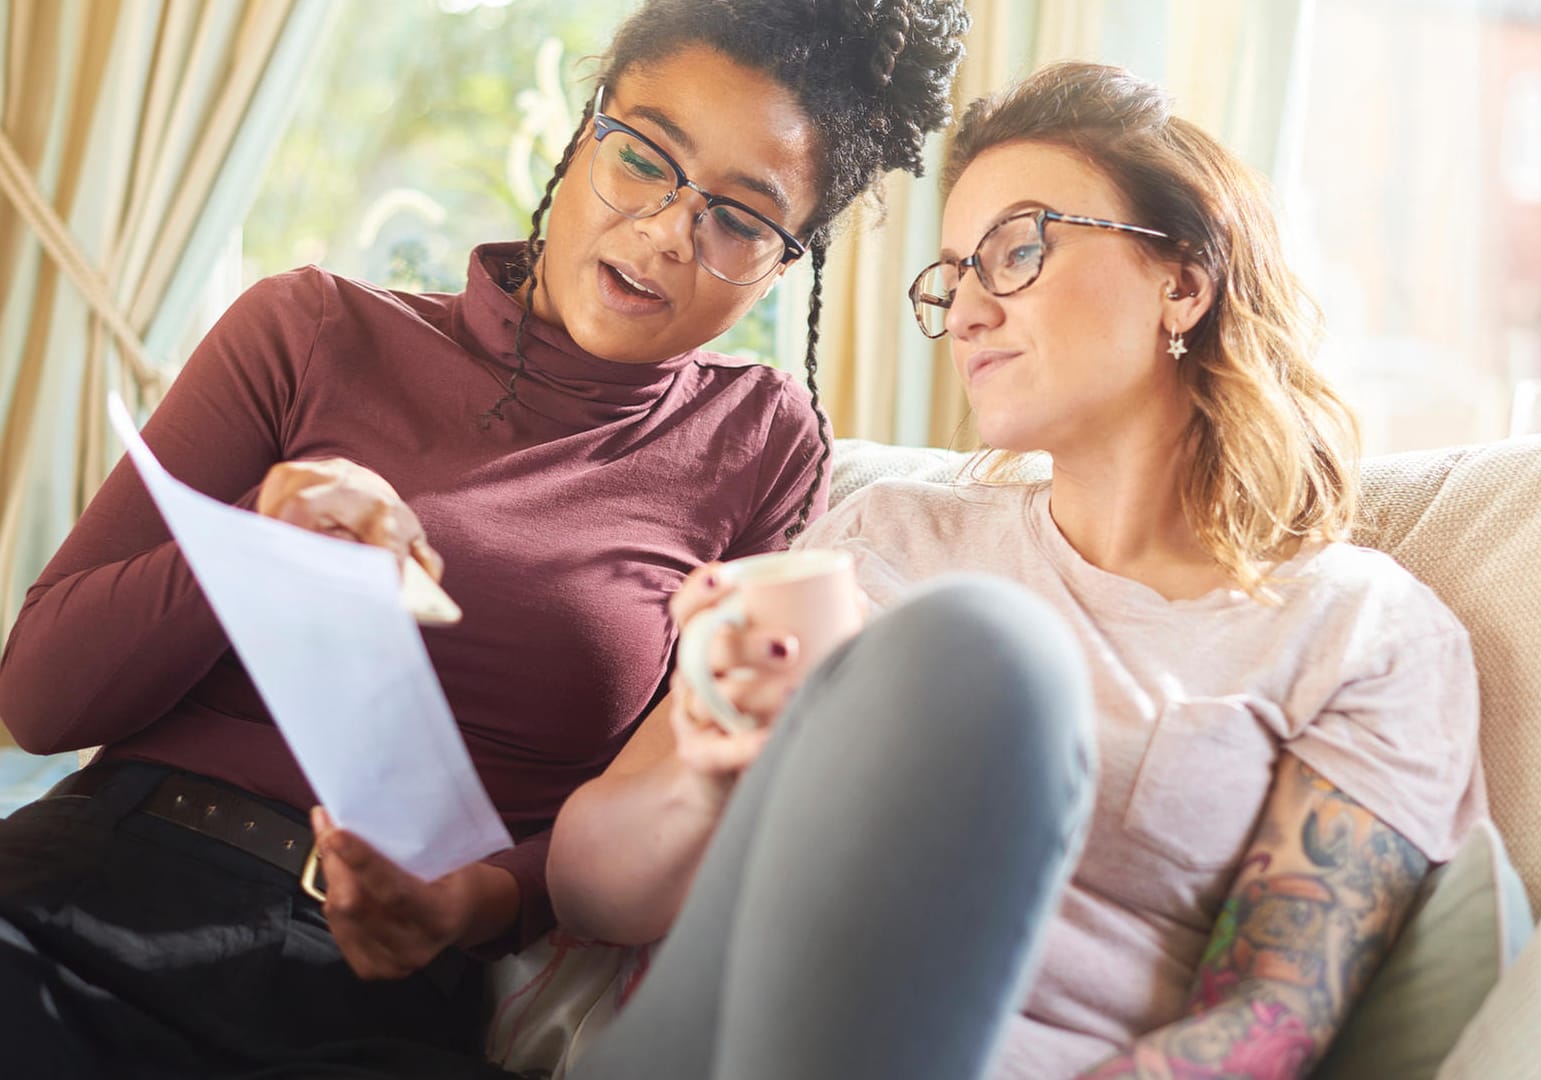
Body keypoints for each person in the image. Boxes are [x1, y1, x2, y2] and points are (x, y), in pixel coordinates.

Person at [0, 1, 970, 1074]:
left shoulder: (758, 443)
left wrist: (475, 901)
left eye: (741, 220)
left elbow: (667, 789)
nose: (666, 230)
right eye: (644, 157)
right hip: (94, 885)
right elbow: (40, 702)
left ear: (787, 264)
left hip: (379, 992)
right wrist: (255, 548)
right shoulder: (310, 329)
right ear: (584, 132)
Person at [546, 62, 1486, 1079]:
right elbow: (587, 892)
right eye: (952, 278)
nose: (966, 313)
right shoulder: (884, 536)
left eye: (1017, 251)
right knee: (972, 644)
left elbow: (1267, 1026)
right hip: (707, 1038)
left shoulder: (1363, 631)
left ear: (1183, 280)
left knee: (987, 651)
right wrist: (711, 774)